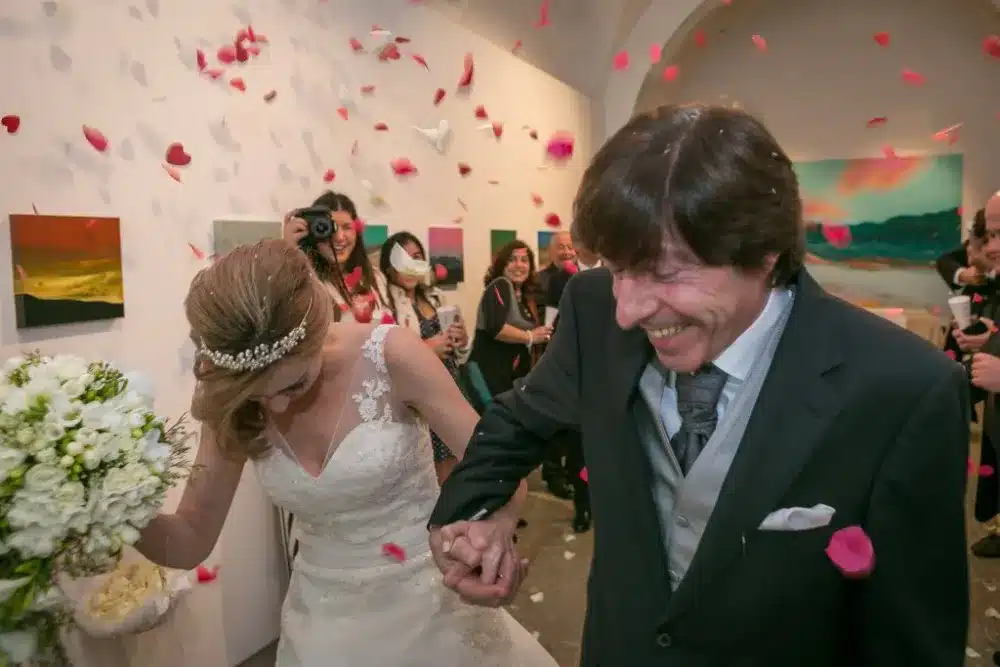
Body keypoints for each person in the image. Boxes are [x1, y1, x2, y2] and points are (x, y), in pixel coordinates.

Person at [427, 104, 969, 666]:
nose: (627, 310)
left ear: (764, 252)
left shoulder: (904, 389)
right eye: (616, 268)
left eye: (664, 272)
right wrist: (472, 516)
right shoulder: (592, 308)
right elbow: (520, 421)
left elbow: (912, 642)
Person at [135, 240, 556, 667]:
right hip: (322, 627)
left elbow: (501, 470)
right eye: (258, 397)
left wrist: (496, 529)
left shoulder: (392, 355)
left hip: (433, 608)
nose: (276, 406)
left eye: (294, 385)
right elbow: (189, 539)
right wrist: (115, 509)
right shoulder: (230, 399)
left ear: (317, 333)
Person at [380, 231, 470, 483]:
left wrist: (461, 339)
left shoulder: (435, 297)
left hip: (450, 385)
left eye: (417, 257)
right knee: (430, 470)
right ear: (389, 266)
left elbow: (460, 353)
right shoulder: (386, 304)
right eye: (403, 258)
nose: (411, 265)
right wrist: (428, 349)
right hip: (419, 397)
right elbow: (386, 356)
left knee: (456, 461)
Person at [283, 190, 390, 323]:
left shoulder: (375, 277)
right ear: (312, 232)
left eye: (347, 227)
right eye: (329, 227)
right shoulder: (304, 280)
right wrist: (289, 252)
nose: (339, 237)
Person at [469, 240, 551, 398]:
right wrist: (530, 336)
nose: (519, 265)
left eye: (524, 260)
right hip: (491, 379)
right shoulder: (500, 285)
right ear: (502, 265)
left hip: (511, 379)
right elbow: (496, 327)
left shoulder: (526, 298)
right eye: (512, 260)